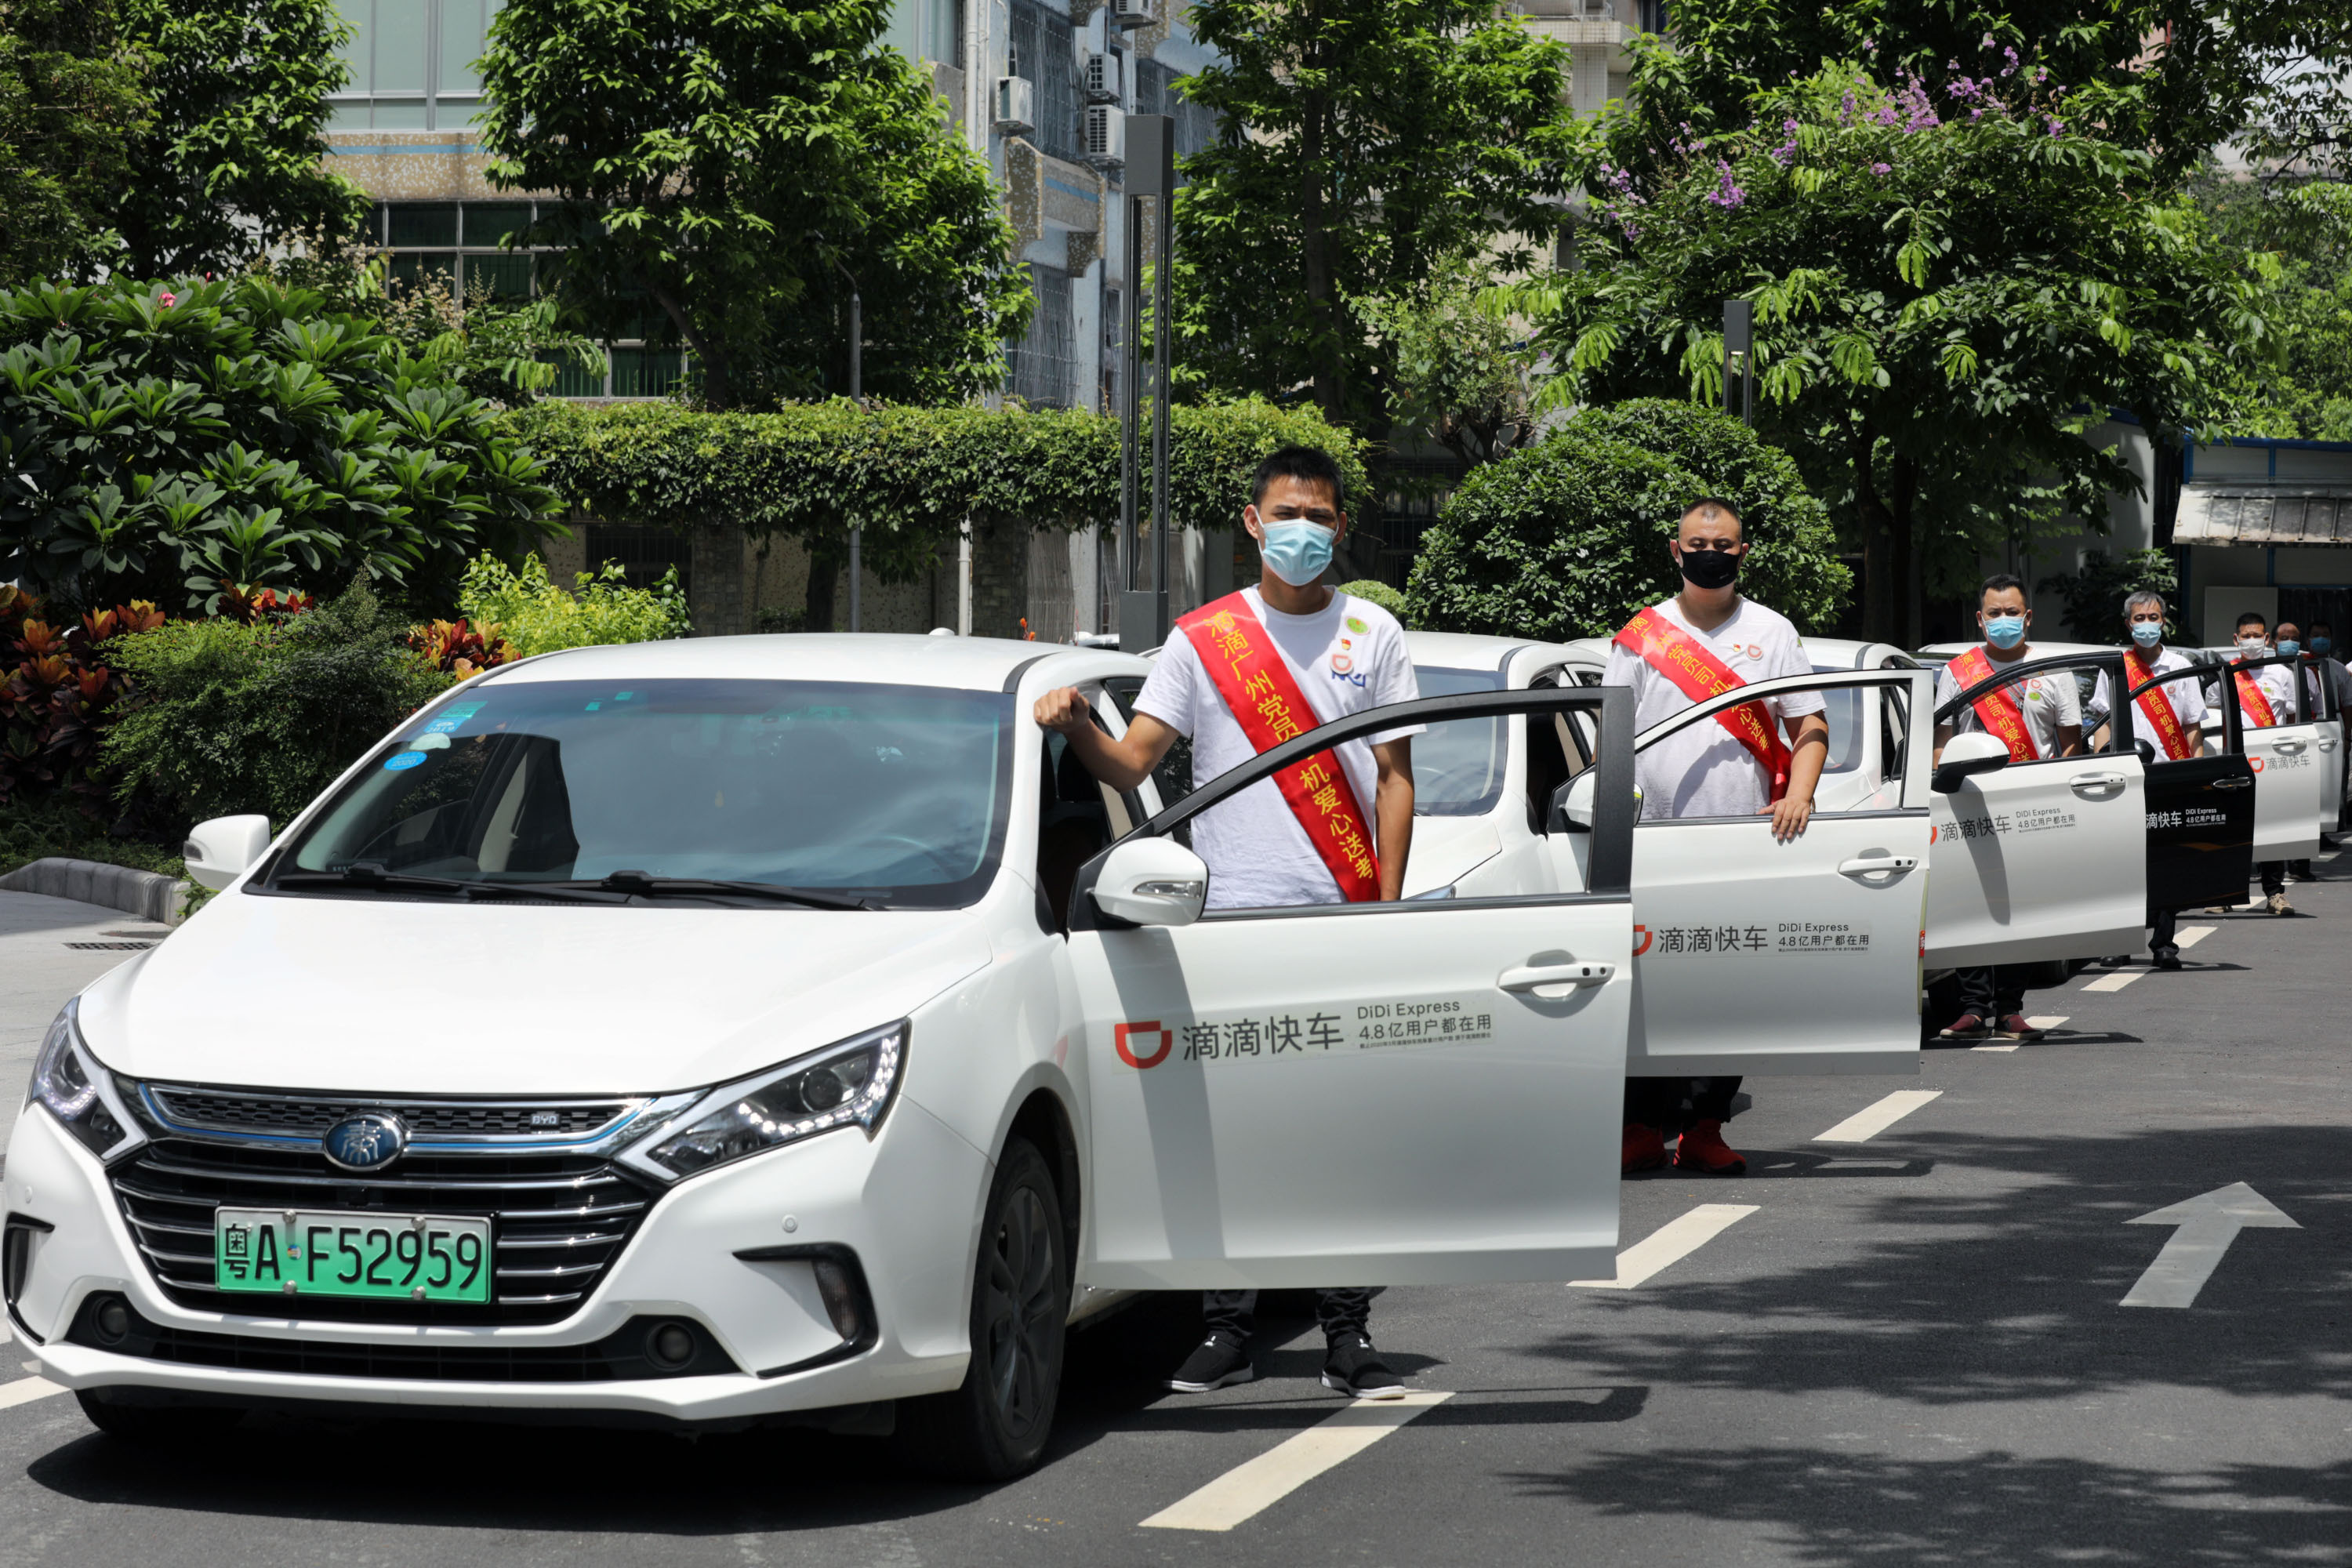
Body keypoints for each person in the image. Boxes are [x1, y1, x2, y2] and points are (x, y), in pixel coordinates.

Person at [1033, 444, 1419, 1402]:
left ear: (1340, 526)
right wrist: (1075, 720)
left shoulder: (1373, 630)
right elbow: (1130, 765)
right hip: (1227, 924)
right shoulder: (1203, 639)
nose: (1305, 531)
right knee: (1227, 1130)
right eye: (1288, 513)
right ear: (1253, 522)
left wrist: (1386, 911)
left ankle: (1347, 1330)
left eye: (1322, 517)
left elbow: (1396, 778)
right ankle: (1226, 1328)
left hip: (1341, 918)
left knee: (1337, 1135)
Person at [1602, 497, 1831, 1178]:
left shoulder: (1772, 631)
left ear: (1742, 553)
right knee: (1643, 988)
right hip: (1652, 843)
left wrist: (1800, 793)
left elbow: (1810, 726)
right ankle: (1638, 1128)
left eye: (1724, 544)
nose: (1711, 552)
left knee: (1728, 987)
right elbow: (1612, 741)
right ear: (1676, 551)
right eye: (1698, 542)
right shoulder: (1639, 638)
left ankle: (1705, 1128)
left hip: (1743, 843)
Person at [1932, 574, 2083, 1039]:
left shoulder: (2054, 672)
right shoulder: (1957, 672)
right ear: (1980, 619)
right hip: (1969, 804)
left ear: (2028, 617)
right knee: (1970, 904)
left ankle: (2010, 1009)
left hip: (2029, 805)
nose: (2003, 621)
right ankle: (1973, 1008)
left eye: (2011, 612)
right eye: (1994, 614)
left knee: (2020, 909)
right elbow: (1940, 745)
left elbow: (2071, 748)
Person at [2086, 590, 2206, 968]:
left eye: (2153, 617)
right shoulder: (2116, 667)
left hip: (2168, 776)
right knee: (2123, 862)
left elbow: (2192, 727)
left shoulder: (2180, 666)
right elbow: (2103, 725)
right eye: (2139, 618)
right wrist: (2101, 769)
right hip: (2125, 778)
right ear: (2128, 623)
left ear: (2164, 620)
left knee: (2167, 860)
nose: (2146, 624)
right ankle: (2121, 941)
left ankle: (2164, 943)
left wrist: (2195, 773)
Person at [2230, 611, 2300, 914]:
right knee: (2234, 829)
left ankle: (2275, 893)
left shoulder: (2282, 674)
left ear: (2267, 639)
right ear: (2236, 639)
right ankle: (2226, 894)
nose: (2252, 641)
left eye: (2257, 635)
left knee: (2273, 827)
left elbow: (2294, 720)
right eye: (2246, 636)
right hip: (2238, 760)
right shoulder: (2227, 673)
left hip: (2273, 761)